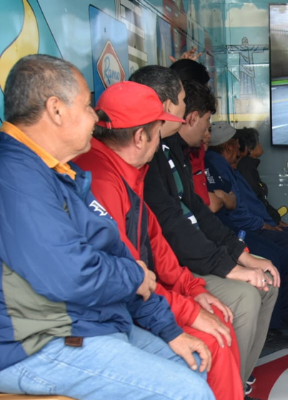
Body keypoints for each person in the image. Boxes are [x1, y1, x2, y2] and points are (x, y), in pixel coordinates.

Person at [0, 54, 214, 400]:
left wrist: (169, 329)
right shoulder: (15, 175)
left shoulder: (61, 173)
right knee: (189, 392)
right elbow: (73, 275)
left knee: (193, 364)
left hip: (91, 324)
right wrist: (133, 276)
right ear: (56, 110)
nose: (95, 120)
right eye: (87, 107)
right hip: (37, 342)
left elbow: (115, 255)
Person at [73, 81, 245, 400]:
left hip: (130, 303)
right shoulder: (103, 179)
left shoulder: (125, 169)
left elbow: (153, 239)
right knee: (212, 342)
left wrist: (193, 290)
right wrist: (188, 311)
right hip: (109, 315)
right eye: (159, 129)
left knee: (216, 321)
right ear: (141, 137)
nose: (162, 140)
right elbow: (127, 275)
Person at [129, 66, 281, 391]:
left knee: (266, 283)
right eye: (182, 102)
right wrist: (228, 268)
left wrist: (241, 256)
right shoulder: (140, 160)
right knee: (245, 296)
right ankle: (228, 389)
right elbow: (169, 226)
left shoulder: (171, 151)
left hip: (180, 271)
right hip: (167, 278)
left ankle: (237, 385)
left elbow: (194, 211)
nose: (185, 114)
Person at [206, 122, 288, 328]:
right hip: (235, 230)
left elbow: (238, 201)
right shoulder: (217, 163)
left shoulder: (229, 167)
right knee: (278, 252)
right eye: (237, 145)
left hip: (247, 225)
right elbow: (233, 207)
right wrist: (263, 225)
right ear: (229, 146)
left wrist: (270, 222)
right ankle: (281, 320)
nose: (240, 150)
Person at [234, 127, 287, 227]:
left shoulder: (249, 166)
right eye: (258, 142)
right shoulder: (246, 167)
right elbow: (255, 203)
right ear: (249, 148)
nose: (261, 145)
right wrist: (273, 224)